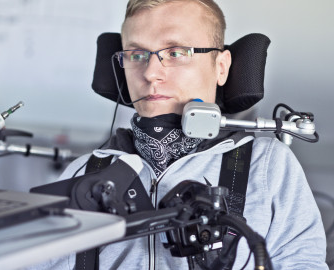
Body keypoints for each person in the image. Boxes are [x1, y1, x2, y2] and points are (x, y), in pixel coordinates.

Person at [28, 0, 328, 269]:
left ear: (221, 67)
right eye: (136, 54)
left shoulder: (267, 165)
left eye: (175, 52)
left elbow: (302, 263)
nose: (150, 73)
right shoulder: (83, 172)